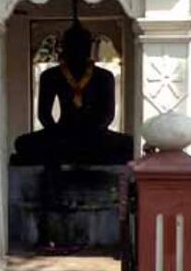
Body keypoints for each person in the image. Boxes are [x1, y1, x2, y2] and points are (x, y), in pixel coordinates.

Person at [12, 20, 133, 166]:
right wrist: (58, 133)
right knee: (22, 143)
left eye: (83, 46)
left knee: (129, 144)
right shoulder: (51, 75)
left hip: (94, 135)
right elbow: (44, 114)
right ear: (64, 47)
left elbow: (108, 115)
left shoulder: (103, 76)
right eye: (73, 46)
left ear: (89, 47)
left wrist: (93, 132)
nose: (78, 51)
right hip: (62, 133)